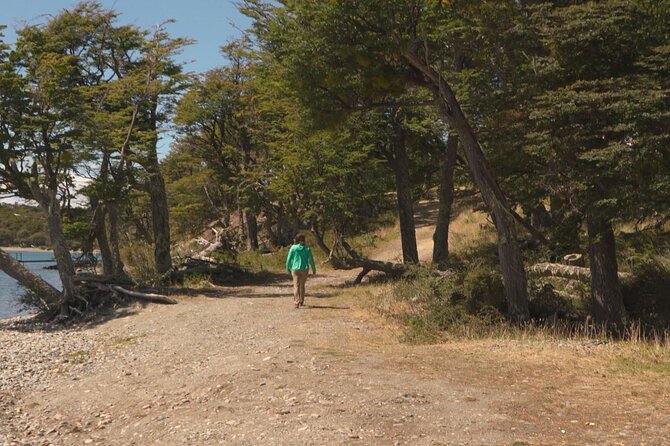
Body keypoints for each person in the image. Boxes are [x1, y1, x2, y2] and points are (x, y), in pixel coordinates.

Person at [285, 234, 316, 309]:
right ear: (304, 240)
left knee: (296, 285)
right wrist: (314, 269)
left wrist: (287, 268)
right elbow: (311, 260)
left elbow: (288, 259)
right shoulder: (307, 248)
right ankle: (301, 301)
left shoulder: (293, 247)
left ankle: (296, 302)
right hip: (304, 269)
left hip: (294, 269)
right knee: (302, 285)